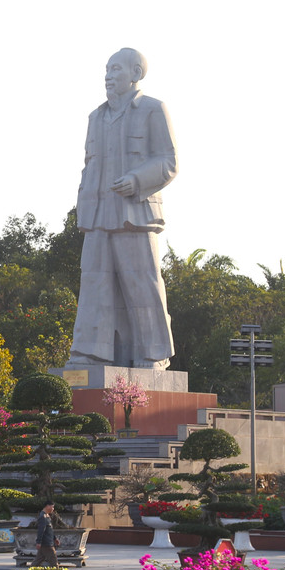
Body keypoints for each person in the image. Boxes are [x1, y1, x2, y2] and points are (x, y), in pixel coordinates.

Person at [67, 48, 178, 370]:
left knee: (142, 284)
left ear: (136, 73)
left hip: (134, 212)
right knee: (93, 287)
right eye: (107, 69)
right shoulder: (95, 117)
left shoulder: (153, 109)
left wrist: (136, 179)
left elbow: (169, 161)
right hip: (98, 214)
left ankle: (153, 354)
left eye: (116, 69)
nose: (108, 75)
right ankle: (90, 354)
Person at [34, 500, 58, 567]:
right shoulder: (42, 517)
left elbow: (49, 530)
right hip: (47, 544)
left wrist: (55, 538)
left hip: (48, 542)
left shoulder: (47, 516)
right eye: (52, 507)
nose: (53, 509)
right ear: (47, 506)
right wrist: (38, 542)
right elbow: (41, 530)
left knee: (37, 561)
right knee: (54, 561)